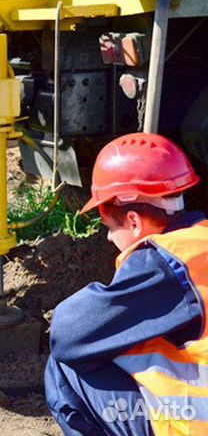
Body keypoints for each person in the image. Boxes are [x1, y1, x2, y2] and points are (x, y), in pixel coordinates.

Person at [45, 132, 208, 435]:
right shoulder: (200, 242)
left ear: (133, 221)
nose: (108, 238)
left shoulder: (167, 264)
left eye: (108, 226)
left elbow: (68, 334)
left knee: (66, 367)